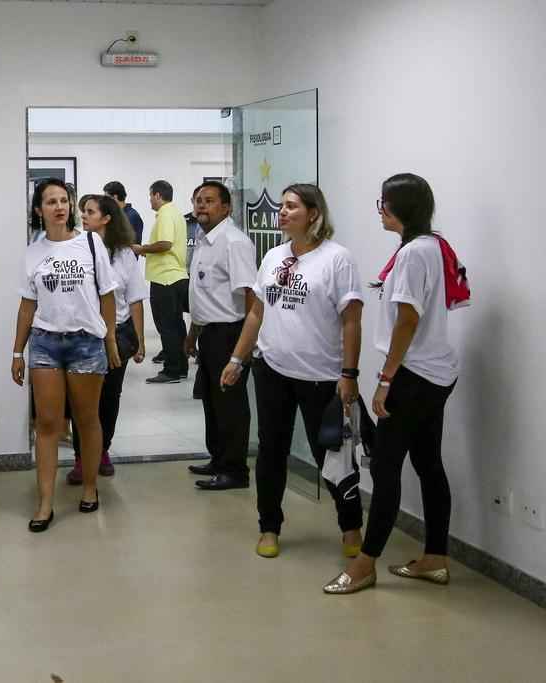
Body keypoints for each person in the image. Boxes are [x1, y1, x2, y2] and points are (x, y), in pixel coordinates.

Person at [324, 174, 460, 594]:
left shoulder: (414, 254)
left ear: (401, 206)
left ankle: (365, 564)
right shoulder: (432, 245)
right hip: (436, 372)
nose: (380, 209)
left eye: (383, 202)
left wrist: (385, 380)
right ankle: (435, 558)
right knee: (428, 464)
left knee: (385, 470)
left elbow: (408, 320)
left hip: (413, 376)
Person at [221, 183, 364, 559]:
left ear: (313, 214)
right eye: (281, 207)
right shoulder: (273, 256)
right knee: (271, 452)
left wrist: (349, 374)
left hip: (321, 376)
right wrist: (238, 360)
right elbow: (256, 312)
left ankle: (351, 526)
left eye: (291, 206)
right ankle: (269, 526)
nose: (282, 213)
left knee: (329, 456)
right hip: (272, 371)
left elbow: (351, 320)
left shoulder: (337, 259)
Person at [11, 179, 120, 532]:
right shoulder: (33, 251)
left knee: (87, 420)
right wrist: (17, 350)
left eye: (63, 200)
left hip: (86, 342)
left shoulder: (91, 243)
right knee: (47, 423)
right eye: (50, 201)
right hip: (45, 342)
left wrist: (111, 340)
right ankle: (45, 502)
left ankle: (90, 486)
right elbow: (27, 305)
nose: (59, 206)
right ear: (39, 210)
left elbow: (107, 294)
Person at [65, 194, 147, 485]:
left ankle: (102, 452)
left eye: (89, 211)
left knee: (110, 397)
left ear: (107, 218)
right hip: (85, 336)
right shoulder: (76, 249)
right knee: (81, 401)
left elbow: (135, 299)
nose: (83, 216)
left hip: (119, 335)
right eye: (82, 212)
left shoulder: (125, 255)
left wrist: (140, 339)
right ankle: (80, 458)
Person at [184, 181, 257, 491]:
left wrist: (244, 350)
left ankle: (235, 470)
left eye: (209, 201)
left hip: (231, 333)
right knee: (212, 403)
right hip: (208, 333)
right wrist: (192, 336)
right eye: (198, 200)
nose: (201, 205)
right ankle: (218, 459)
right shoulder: (203, 240)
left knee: (231, 405)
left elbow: (252, 299)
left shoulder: (234, 242)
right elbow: (204, 296)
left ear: (226, 207)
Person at [135, 180, 189, 383]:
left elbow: (165, 244)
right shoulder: (175, 213)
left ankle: (172, 371)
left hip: (165, 279)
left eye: (151, 196)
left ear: (158, 195)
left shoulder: (166, 213)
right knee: (176, 326)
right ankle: (181, 367)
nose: (150, 200)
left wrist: (142, 249)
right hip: (175, 277)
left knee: (167, 327)